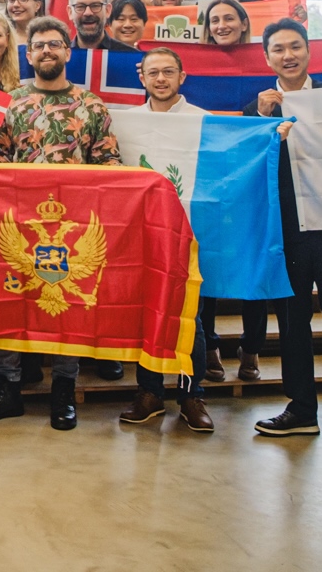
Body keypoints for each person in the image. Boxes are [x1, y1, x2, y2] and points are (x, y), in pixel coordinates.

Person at [0, 16, 121, 431]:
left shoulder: (91, 105)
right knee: (11, 299)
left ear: (67, 52)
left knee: (67, 305)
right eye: (38, 45)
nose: (46, 51)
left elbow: (109, 159)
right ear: (29, 53)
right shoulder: (12, 100)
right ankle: (7, 389)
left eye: (54, 44)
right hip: (20, 222)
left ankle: (64, 391)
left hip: (72, 227)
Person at [246, 19, 322, 458]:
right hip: (287, 234)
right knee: (292, 325)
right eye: (278, 49)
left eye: (295, 46)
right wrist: (263, 121)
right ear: (267, 58)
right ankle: (301, 410)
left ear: (308, 52)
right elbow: (248, 166)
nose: (288, 55)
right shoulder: (258, 108)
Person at [118, 46, 214, 434]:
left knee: (192, 315)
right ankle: (150, 392)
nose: (160, 79)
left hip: (190, 231)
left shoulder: (203, 121)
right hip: (141, 233)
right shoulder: (125, 122)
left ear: (182, 77)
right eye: (153, 73)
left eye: (168, 72)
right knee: (148, 313)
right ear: (142, 78)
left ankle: (192, 395)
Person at [69, 0, 133, 53]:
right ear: (70, 12)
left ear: (107, 10)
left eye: (95, 6)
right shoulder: (60, 57)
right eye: (80, 6)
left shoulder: (129, 57)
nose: (88, 13)